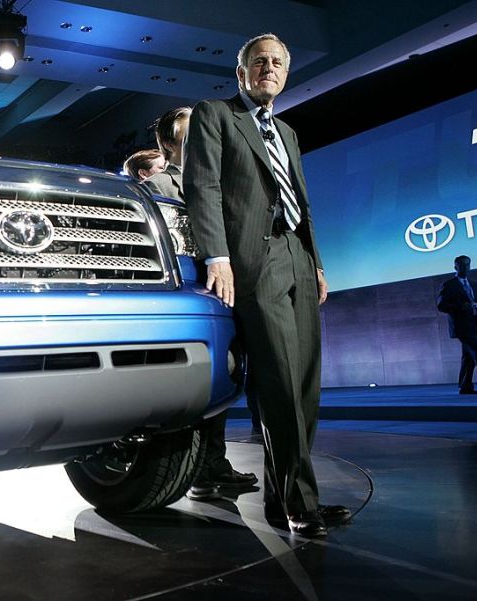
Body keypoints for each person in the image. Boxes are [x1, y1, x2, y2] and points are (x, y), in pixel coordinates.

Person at [182, 33, 350, 536]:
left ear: (285, 73)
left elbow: (303, 201)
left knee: (304, 385)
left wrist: (316, 263)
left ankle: (286, 502)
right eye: (259, 62)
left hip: (297, 256)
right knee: (276, 380)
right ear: (242, 72)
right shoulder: (215, 115)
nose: (268, 69)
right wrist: (218, 256)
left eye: (277, 63)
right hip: (256, 260)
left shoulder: (288, 132)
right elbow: (203, 186)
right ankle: (302, 505)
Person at [140, 106, 257, 500]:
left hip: (229, 288)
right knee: (199, 381)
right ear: (170, 144)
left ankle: (211, 466)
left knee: (224, 378)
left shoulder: (223, 182)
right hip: (192, 292)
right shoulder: (158, 187)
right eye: (192, 136)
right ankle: (197, 468)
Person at [437, 255, 477, 394]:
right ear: (455, 266)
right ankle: (465, 386)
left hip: (476, 325)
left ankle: (465, 386)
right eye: (461, 265)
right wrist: (461, 306)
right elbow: (441, 305)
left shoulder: (474, 285)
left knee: (468, 357)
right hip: (462, 327)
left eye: (467, 265)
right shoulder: (449, 284)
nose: (465, 267)